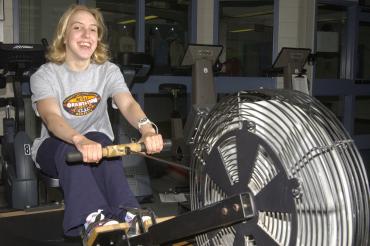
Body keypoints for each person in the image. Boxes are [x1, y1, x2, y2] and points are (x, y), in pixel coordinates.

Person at [30, 4, 163, 238]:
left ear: (98, 37)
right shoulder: (45, 75)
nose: (86, 35)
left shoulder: (108, 71)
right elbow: (51, 118)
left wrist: (147, 129)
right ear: (64, 34)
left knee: (102, 141)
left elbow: (128, 103)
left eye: (93, 30)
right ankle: (92, 217)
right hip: (55, 148)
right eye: (78, 28)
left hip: (95, 144)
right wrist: (78, 140)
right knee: (74, 149)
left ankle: (127, 212)